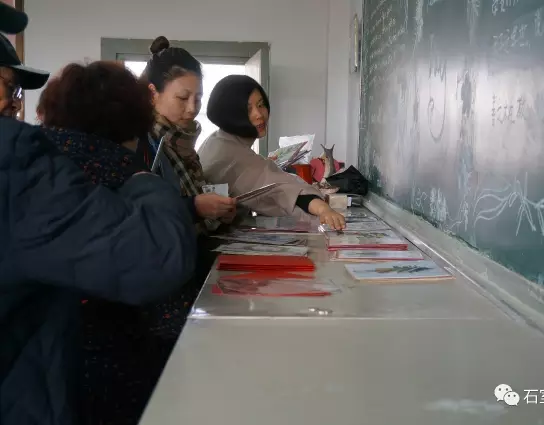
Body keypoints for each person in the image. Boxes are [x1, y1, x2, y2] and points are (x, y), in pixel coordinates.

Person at [0, 6, 197, 425]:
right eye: (7, 87)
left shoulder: (47, 156)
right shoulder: (29, 163)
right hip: (94, 377)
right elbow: (158, 265)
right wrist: (145, 179)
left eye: (16, 92)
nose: (11, 104)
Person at [199, 74, 347, 230]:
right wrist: (323, 210)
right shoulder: (229, 152)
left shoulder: (220, 140)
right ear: (230, 115)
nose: (258, 114)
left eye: (261, 105)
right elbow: (281, 188)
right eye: (248, 110)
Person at [139, 35, 235, 234]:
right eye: (183, 98)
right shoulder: (140, 142)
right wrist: (194, 208)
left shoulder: (183, 143)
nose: (192, 109)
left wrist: (218, 212)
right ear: (153, 94)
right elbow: (141, 215)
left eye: (198, 98)